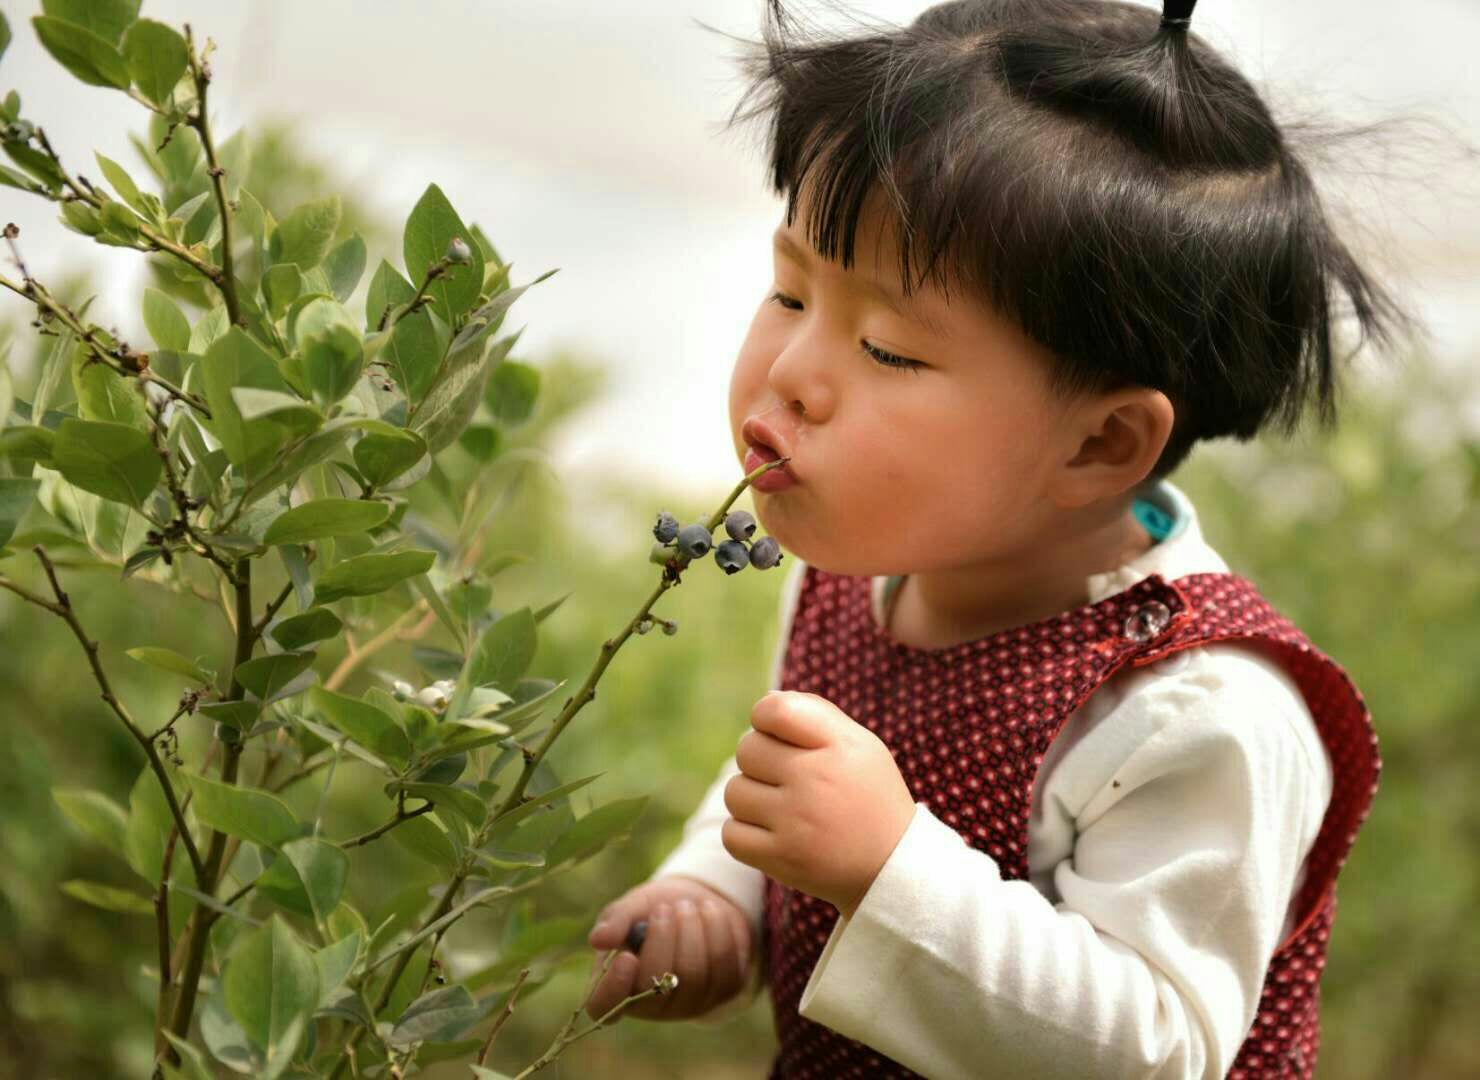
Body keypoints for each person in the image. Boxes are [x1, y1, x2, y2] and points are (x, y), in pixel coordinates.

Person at [585, 1, 1420, 1076]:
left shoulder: (1194, 708)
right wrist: (716, 889)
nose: (791, 371)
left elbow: (1151, 1046)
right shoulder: (856, 580)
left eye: (887, 348)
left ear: (1099, 443)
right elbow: (793, 790)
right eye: (789, 289)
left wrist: (888, 870)